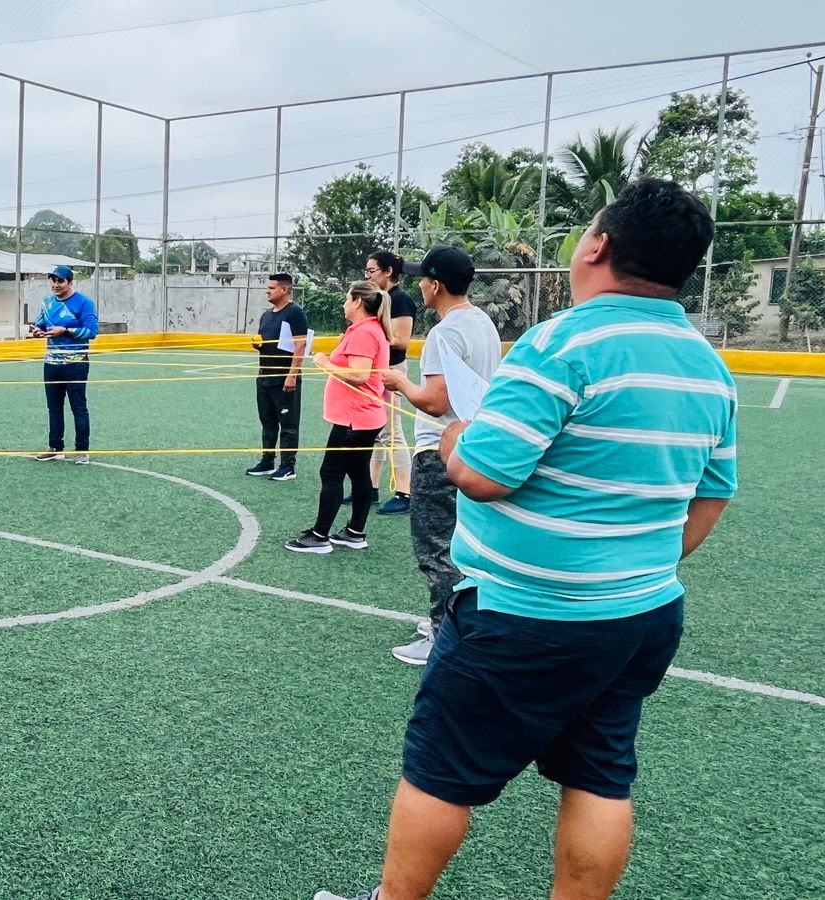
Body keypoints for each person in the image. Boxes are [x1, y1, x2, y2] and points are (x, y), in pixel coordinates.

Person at [316, 179, 737, 900]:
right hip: (643, 613)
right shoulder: (708, 364)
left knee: (439, 773)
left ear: (598, 245)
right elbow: (712, 492)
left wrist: (455, 435)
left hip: (524, 615)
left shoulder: (563, 342)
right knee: (600, 776)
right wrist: (633, 566)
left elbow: (481, 474)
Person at [377, 247, 500, 666]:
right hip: (473, 447)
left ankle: (442, 635)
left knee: (436, 549)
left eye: (423, 280)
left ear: (436, 285)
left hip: (440, 451)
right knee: (465, 544)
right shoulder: (482, 322)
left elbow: (434, 401)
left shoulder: (444, 333)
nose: (420, 287)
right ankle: (459, 621)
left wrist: (399, 383)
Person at [284, 281, 390, 555]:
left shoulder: (365, 332)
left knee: (331, 473)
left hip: (355, 419)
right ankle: (355, 532)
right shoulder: (368, 330)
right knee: (358, 472)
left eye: (346, 299)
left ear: (357, 302)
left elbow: (360, 374)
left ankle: (319, 536)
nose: (344, 304)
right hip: (364, 417)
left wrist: (325, 363)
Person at [363, 250, 417, 516]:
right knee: (376, 432)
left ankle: (404, 493)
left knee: (393, 432)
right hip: (377, 371)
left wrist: (368, 338)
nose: (367, 276)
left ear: (388, 272)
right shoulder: (380, 299)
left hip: (392, 370)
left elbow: (402, 341)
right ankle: (370, 488)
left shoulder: (400, 299)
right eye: (366, 271)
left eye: (371, 271)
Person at [28, 265, 99, 464]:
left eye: (60, 281)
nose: (56, 285)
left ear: (70, 282)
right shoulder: (47, 302)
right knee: (54, 407)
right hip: (51, 363)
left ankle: (82, 450)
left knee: (78, 407)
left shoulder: (84, 303)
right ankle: (55, 447)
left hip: (76, 364)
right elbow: (40, 325)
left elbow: (92, 331)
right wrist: (36, 331)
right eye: (53, 280)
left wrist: (66, 330)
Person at [246, 272, 308, 481]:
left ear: (285, 290)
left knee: (288, 424)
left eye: (272, 288)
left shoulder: (295, 313)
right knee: (268, 421)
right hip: (265, 377)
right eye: (268, 287)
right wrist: (259, 344)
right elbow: (268, 342)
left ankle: (288, 466)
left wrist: (292, 376)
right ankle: (267, 461)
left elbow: (300, 344)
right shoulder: (266, 315)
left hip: (284, 379)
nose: (268, 291)